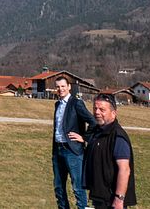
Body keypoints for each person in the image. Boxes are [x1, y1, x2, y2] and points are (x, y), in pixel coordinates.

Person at [77, 93, 137, 209]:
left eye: (102, 110)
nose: (97, 112)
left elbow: (124, 170)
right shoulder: (97, 132)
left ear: (113, 113)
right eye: (95, 108)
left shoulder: (118, 136)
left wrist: (119, 199)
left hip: (111, 200)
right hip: (99, 196)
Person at [51, 76, 96, 209]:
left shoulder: (76, 103)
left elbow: (93, 122)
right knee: (58, 187)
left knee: (77, 187)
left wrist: (84, 138)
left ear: (69, 87)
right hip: (58, 151)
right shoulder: (57, 104)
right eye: (58, 87)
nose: (60, 89)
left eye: (63, 86)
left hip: (73, 151)